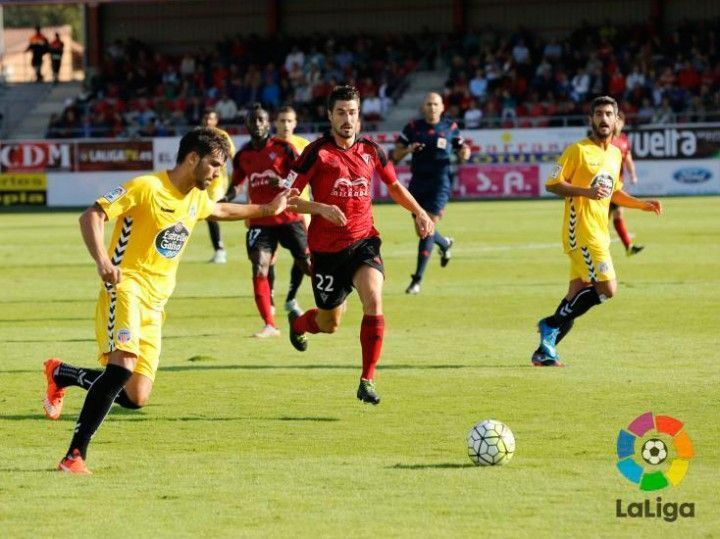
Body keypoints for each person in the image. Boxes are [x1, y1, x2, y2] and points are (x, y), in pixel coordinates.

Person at [43, 127, 295, 474]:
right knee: (120, 369)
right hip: (126, 286)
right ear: (193, 158)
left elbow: (220, 211)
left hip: (156, 305)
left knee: (135, 397)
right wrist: (104, 262)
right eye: (215, 165)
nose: (218, 173)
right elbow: (92, 215)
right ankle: (74, 455)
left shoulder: (195, 197)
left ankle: (62, 373)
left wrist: (267, 208)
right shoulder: (146, 187)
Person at [286, 85, 435, 405]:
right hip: (326, 252)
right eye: (340, 112)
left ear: (359, 116)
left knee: (374, 300)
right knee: (329, 323)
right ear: (329, 115)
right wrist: (321, 208)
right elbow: (289, 200)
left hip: (363, 242)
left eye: (352, 112)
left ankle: (367, 379)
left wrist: (419, 211)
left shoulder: (372, 151)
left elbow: (394, 186)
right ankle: (299, 323)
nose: (347, 119)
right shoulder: (316, 153)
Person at [532, 96, 662, 367]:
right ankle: (550, 324)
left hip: (600, 232)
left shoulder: (615, 153)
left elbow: (613, 191)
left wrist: (641, 205)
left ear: (617, 120)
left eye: (608, 114)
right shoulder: (577, 150)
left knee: (577, 293)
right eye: (599, 114)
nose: (604, 119)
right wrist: (586, 192)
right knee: (607, 289)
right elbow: (552, 183)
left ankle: (545, 351)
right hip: (581, 231)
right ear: (591, 119)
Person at [225, 104, 311, 338]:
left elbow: (300, 176)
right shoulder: (243, 155)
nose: (258, 124)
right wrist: (226, 197)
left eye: (262, 120)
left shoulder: (284, 149)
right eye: (253, 120)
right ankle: (270, 324)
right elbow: (236, 184)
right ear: (247, 124)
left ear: (268, 122)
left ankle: (332, 299)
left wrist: (282, 185)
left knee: (307, 265)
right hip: (260, 219)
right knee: (259, 265)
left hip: (289, 217)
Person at [393, 92, 471, 294]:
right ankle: (444, 243)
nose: (432, 107)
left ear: (442, 107)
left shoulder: (450, 128)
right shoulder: (412, 127)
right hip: (417, 182)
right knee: (422, 230)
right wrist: (408, 149)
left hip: (440, 183)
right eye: (428, 104)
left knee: (427, 226)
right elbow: (395, 154)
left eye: (436, 104)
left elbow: (464, 150)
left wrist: (464, 154)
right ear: (423, 107)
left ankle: (417, 280)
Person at [271, 105, 312, 315]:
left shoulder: (304, 146)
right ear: (275, 122)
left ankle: (291, 296)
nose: (286, 125)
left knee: (303, 255)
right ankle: (268, 298)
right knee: (270, 256)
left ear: (295, 123)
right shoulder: (268, 146)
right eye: (282, 120)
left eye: (289, 121)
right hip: (273, 208)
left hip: (300, 209)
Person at [201, 109, 236, 263]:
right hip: (201, 181)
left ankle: (220, 250)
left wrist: (236, 180)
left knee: (211, 212)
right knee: (204, 214)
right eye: (206, 118)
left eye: (211, 119)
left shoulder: (222, 136)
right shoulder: (199, 136)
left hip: (217, 182)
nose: (208, 121)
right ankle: (218, 250)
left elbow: (233, 157)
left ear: (216, 121)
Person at [610, 111, 643, 256]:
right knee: (603, 219)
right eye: (615, 120)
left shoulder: (623, 140)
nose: (617, 123)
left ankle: (628, 247)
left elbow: (628, 159)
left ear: (623, 123)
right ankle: (594, 249)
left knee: (617, 215)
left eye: (619, 121)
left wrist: (633, 175)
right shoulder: (606, 139)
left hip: (617, 186)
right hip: (605, 186)